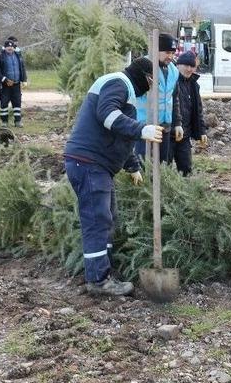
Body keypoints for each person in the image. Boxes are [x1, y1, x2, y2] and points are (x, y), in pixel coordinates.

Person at [63, 56, 165, 296]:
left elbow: (120, 135)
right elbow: (107, 116)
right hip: (89, 163)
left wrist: (132, 166)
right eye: (152, 81)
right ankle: (98, 280)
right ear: (144, 76)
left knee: (108, 218)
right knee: (98, 220)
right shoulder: (118, 83)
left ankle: (104, 271)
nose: (151, 87)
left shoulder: (124, 90)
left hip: (99, 166)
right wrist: (142, 129)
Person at [135, 33, 181, 163]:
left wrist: (177, 123)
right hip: (144, 125)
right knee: (142, 163)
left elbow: (174, 98)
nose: (170, 56)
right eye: (167, 52)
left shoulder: (173, 70)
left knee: (161, 164)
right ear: (156, 50)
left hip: (164, 126)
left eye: (173, 53)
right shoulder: (143, 66)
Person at [171, 50, 208, 176]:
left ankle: (184, 194)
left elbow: (198, 110)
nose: (189, 69)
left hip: (184, 135)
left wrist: (201, 131)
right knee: (164, 168)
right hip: (168, 133)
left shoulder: (194, 85)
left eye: (192, 66)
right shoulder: (170, 81)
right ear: (178, 65)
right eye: (186, 65)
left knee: (186, 169)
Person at [0, 39, 27, 128]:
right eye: (8, 47)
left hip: (16, 84)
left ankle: (17, 121)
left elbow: (22, 68)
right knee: (4, 103)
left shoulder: (18, 56)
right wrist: (5, 80)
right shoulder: (1, 57)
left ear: (13, 47)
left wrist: (24, 79)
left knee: (17, 102)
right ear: (5, 47)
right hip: (5, 85)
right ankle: (4, 121)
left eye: (11, 47)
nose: (10, 48)